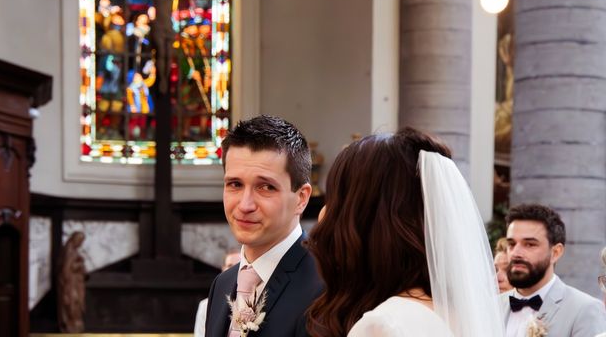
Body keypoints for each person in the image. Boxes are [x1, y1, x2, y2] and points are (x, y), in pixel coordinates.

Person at [306, 128, 504, 337]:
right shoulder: (456, 314)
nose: (323, 215)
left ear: (365, 220)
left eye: (336, 201)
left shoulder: (383, 326)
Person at [205, 115, 323, 337]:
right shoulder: (222, 284)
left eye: (266, 187)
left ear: (301, 198)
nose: (245, 205)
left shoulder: (325, 286)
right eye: (235, 184)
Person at [501, 203, 606, 336]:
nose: (516, 253)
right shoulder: (488, 306)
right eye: (511, 244)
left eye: (530, 244)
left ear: (556, 252)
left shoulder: (585, 309)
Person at [194, 249, 241, 337]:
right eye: (229, 266)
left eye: (237, 265)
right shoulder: (206, 305)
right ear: (223, 269)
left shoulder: (254, 303)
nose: (233, 270)